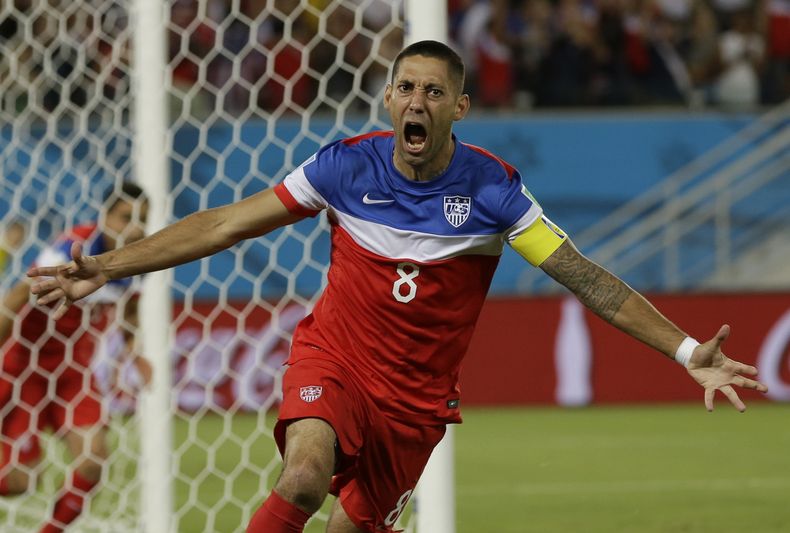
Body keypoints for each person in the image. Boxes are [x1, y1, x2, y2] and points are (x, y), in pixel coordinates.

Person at [27, 41, 768, 533]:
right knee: (305, 474)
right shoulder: (344, 167)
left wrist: (687, 347)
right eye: (405, 87)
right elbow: (225, 224)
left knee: (353, 524)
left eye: (434, 91)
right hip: (335, 359)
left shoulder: (495, 192)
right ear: (388, 100)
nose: (416, 100)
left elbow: (587, 280)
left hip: (414, 401)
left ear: (458, 108)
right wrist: (107, 267)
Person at [0, 181, 152, 533]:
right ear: (105, 217)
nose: (135, 227)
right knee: (19, 483)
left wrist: (134, 352)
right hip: (25, 367)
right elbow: (18, 295)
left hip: (73, 373)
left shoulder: (139, 260)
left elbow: (130, 309)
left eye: (142, 219)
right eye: (126, 217)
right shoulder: (73, 248)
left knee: (93, 462)